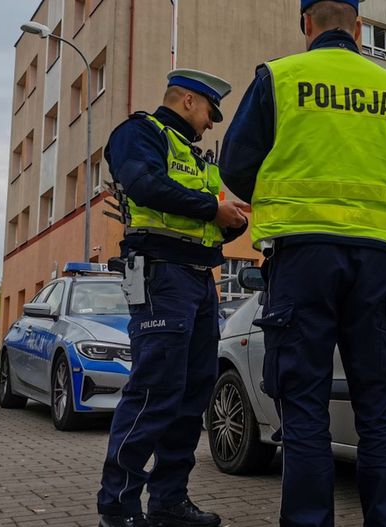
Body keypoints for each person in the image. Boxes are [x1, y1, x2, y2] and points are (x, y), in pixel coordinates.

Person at [219, 1, 386, 524]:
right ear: (358, 27)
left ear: (306, 23)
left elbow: (235, 165)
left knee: (304, 409)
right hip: (375, 260)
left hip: (302, 259)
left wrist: (283, 198)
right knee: (379, 406)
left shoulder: (279, 78)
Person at [97, 69, 248, 527]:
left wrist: (233, 220)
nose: (211, 123)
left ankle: (168, 502)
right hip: (161, 274)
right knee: (154, 391)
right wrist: (213, 208)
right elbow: (145, 185)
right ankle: (118, 508)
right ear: (187, 101)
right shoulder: (140, 133)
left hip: (200, 279)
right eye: (209, 112)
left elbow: (216, 219)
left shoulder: (200, 159)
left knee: (191, 395)